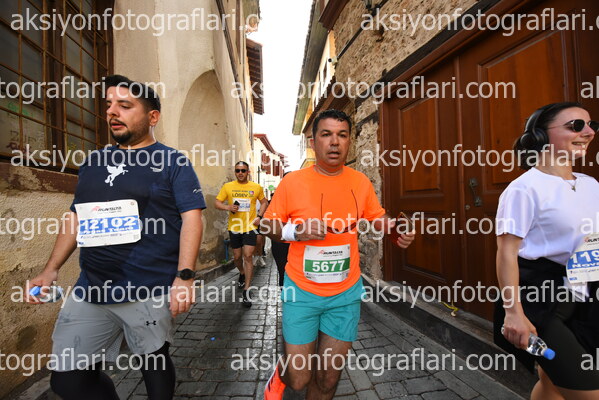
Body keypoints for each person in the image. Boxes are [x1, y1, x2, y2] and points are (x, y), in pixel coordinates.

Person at [25, 74, 205, 400]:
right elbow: (76, 217)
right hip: (91, 287)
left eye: (125, 105)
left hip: (148, 288)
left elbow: (192, 218)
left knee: (154, 366)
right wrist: (50, 269)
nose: (112, 111)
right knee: (67, 380)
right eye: (109, 105)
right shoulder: (93, 163)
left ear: (152, 117)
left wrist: (185, 277)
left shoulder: (173, 162)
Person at [261, 109, 415, 399]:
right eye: (326, 134)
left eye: (342, 135)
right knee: (299, 378)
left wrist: (395, 230)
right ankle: (282, 373)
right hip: (301, 291)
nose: (334, 142)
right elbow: (267, 225)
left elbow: (377, 217)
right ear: (313, 142)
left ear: (349, 141)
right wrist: (296, 231)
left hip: (344, 294)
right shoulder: (293, 182)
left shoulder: (360, 182)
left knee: (328, 379)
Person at [495, 102, 599, 399]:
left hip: (586, 295)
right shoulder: (523, 189)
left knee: (550, 382)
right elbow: (506, 253)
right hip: (542, 301)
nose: (589, 132)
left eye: (592, 125)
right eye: (576, 126)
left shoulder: (591, 184)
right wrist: (513, 313)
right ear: (540, 136)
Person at [215, 161, 268, 307]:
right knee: (237, 257)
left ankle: (246, 290)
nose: (240, 173)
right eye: (237, 170)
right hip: (235, 227)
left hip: (250, 227)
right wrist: (228, 207)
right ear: (235, 172)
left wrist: (259, 216)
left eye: (243, 170)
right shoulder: (228, 186)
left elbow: (264, 202)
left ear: (248, 172)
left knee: (248, 256)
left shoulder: (256, 187)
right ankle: (242, 273)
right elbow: (217, 203)